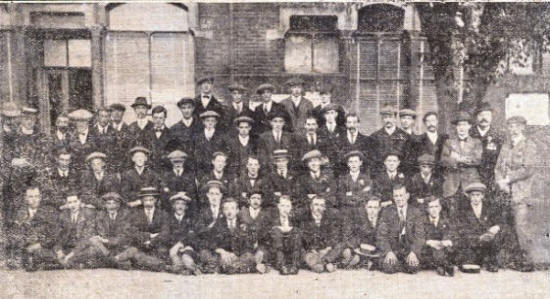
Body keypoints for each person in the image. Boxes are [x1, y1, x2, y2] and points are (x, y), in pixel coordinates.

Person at [495, 116, 538, 272]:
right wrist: (500, 182)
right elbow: (498, 167)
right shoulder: (506, 146)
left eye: (516, 126)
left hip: (521, 192)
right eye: (510, 126)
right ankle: (511, 260)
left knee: (521, 227)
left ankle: (526, 261)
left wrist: (508, 179)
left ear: (522, 128)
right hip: (505, 192)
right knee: (507, 226)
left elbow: (527, 169)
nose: (512, 130)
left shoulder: (529, 146)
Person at [200, 197, 267, 274]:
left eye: (232, 208)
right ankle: (236, 268)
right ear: (223, 211)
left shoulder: (244, 224)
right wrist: (222, 252)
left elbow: (248, 245)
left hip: (239, 256)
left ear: (237, 210)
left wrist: (235, 254)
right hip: (224, 256)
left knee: (249, 257)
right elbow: (211, 242)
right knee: (205, 253)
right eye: (226, 209)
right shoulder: (218, 225)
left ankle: (228, 268)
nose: (229, 211)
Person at [440, 111, 482, 216]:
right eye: (459, 125)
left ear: (469, 126)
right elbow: (444, 160)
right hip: (452, 184)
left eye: (464, 125)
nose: (461, 128)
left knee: (470, 214)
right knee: (452, 214)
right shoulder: (449, 142)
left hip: (470, 183)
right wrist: (457, 160)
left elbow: (477, 159)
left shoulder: (476, 142)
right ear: (456, 127)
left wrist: (457, 158)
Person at [376, 184, 425, 274]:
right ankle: (398, 264)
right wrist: (388, 252)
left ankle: (401, 264)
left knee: (413, 268)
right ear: (393, 197)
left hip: (408, 251)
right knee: (389, 268)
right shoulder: (387, 212)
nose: (398, 199)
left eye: (401, 195)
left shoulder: (416, 212)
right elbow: (381, 236)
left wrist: (414, 252)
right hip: (393, 250)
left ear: (407, 196)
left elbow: (420, 236)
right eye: (396, 196)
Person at [119, 187, 169, 272]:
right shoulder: (135, 214)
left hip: (156, 244)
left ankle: (146, 263)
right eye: (146, 200)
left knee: (162, 253)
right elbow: (131, 231)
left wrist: (151, 242)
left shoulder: (163, 214)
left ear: (156, 200)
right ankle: (153, 264)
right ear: (142, 201)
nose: (148, 203)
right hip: (140, 243)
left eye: (151, 200)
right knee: (133, 251)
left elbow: (165, 232)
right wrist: (148, 236)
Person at [457, 182, 503, 273]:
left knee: (497, 237)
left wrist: (496, 227)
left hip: (488, 238)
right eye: (472, 195)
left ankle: (492, 262)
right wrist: (478, 237)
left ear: (482, 196)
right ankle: (474, 260)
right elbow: (462, 228)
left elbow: (500, 221)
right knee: (470, 264)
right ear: (469, 196)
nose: (475, 198)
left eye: (478, 195)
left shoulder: (490, 207)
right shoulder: (463, 210)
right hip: (472, 240)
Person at [11, 185, 58, 271]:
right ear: (25, 198)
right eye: (31, 196)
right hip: (25, 251)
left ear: (40, 197)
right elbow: (15, 234)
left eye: (36, 196)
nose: (34, 199)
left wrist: (39, 245)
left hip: (44, 249)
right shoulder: (19, 214)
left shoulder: (49, 212)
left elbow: (54, 236)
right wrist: (26, 242)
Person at [53, 193, 99, 268]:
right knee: (44, 252)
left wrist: (71, 254)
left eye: (75, 201)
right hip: (67, 248)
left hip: (81, 248)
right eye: (70, 202)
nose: (73, 205)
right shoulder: (62, 215)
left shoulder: (88, 213)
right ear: (66, 204)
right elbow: (58, 236)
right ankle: (72, 263)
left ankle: (68, 262)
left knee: (93, 251)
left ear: (80, 201)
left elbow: (86, 237)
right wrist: (59, 251)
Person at [88, 192, 133, 270]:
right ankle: (114, 261)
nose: (112, 207)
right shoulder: (100, 215)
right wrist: (96, 237)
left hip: (119, 247)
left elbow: (124, 236)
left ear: (118, 205)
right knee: (93, 242)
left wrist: (106, 240)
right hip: (103, 248)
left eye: (114, 203)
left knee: (132, 250)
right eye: (109, 204)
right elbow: (91, 230)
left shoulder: (125, 215)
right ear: (105, 205)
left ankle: (109, 261)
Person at [300, 196, 343, 273]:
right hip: (311, 251)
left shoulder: (329, 220)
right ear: (311, 207)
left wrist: (327, 249)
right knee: (301, 249)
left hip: (326, 250)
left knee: (340, 245)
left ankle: (322, 263)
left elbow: (334, 235)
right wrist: (313, 250)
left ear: (324, 208)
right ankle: (324, 264)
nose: (319, 208)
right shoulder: (304, 220)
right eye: (316, 205)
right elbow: (304, 238)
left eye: (321, 205)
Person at [164, 193, 201, 275]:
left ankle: (192, 267)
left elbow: (192, 235)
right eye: (177, 203)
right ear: (173, 206)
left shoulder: (191, 219)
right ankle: (182, 268)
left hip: (187, 247)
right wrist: (175, 246)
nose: (180, 206)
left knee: (186, 257)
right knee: (175, 260)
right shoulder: (168, 219)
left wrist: (182, 245)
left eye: (183, 204)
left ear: (186, 207)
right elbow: (166, 234)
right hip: (172, 248)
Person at [470, 102, 504, 190]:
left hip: (491, 179)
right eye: (481, 115)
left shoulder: (499, 136)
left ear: (492, 117)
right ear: (476, 117)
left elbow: (502, 159)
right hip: (471, 178)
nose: (484, 118)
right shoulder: (469, 133)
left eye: (487, 115)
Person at [342, 196, 382, 270]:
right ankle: (359, 260)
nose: (372, 210)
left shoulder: (382, 220)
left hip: (376, 249)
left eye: (375, 208)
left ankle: (363, 261)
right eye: (370, 207)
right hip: (363, 247)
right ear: (366, 208)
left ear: (379, 208)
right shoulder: (361, 220)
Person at [370, 106, 411, 174]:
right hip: (381, 174)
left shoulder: (405, 136)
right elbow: (373, 158)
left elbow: (407, 158)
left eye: (390, 117)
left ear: (395, 118)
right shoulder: (375, 136)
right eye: (385, 117)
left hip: (400, 174)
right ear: (382, 119)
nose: (388, 120)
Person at [422, 197, 455, 276]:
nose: (434, 210)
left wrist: (445, 241)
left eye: (436, 206)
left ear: (440, 208)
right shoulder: (422, 221)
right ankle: (441, 265)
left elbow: (451, 233)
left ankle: (441, 265)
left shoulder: (446, 221)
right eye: (431, 207)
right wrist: (429, 242)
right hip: (429, 250)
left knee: (450, 249)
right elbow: (419, 236)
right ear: (427, 209)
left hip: (442, 247)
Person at [270, 195, 301, 275]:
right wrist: (279, 229)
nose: (285, 208)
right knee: (276, 230)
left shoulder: (295, 219)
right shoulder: (272, 219)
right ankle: (281, 265)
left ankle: (295, 265)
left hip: (291, 249)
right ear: (278, 206)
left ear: (291, 207)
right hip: (276, 251)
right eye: (282, 206)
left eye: (287, 206)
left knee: (296, 231)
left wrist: (290, 229)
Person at [412, 111, 448, 177]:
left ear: (437, 121)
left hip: (441, 175)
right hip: (425, 176)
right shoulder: (418, 140)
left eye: (433, 120)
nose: (431, 123)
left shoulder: (445, 138)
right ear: (425, 123)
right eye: (428, 121)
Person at [193, 110, 226, 178]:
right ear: (203, 122)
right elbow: (195, 156)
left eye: (212, 121)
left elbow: (224, 153)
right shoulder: (197, 137)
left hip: (216, 171)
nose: (210, 123)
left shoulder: (221, 136)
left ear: (216, 122)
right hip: (201, 171)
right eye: (207, 120)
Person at [169, 97, 201, 166]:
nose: (186, 110)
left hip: (198, 166)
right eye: (183, 108)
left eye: (189, 107)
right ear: (180, 109)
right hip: (182, 166)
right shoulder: (174, 129)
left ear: (193, 109)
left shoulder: (200, 127)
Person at [67, 109, 97, 173]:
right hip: (75, 172)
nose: (81, 124)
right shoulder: (69, 137)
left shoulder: (96, 136)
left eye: (83, 121)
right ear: (75, 122)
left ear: (88, 121)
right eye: (78, 121)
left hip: (92, 171)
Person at [145, 105, 172, 172]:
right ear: (152, 118)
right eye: (155, 118)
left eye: (161, 118)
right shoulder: (146, 134)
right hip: (150, 173)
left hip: (166, 172)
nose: (158, 120)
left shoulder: (171, 135)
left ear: (165, 118)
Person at [109, 103, 130, 174]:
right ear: (110, 113)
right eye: (114, 111)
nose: (117, 113)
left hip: (124, 166)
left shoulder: (129, 129)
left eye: (119, 111)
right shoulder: (106, 128)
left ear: (123, 113)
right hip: (109, 166)